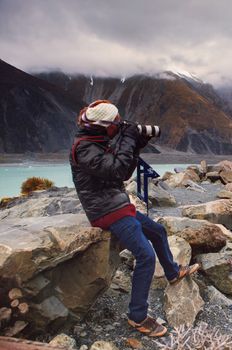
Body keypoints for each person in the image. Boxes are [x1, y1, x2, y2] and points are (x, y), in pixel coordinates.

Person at [70, 100, 199, 337]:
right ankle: (137, 317)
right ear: (104, 126)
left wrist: (137, 144)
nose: (119, 125)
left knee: (158, 232)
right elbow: (118, 170)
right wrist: (128, 138)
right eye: (116, 122)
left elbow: (124, 170)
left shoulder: (97, 141)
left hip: (117, 204)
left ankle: (172, 272)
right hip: (105, 211)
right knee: (145, 256)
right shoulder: (84, 148)